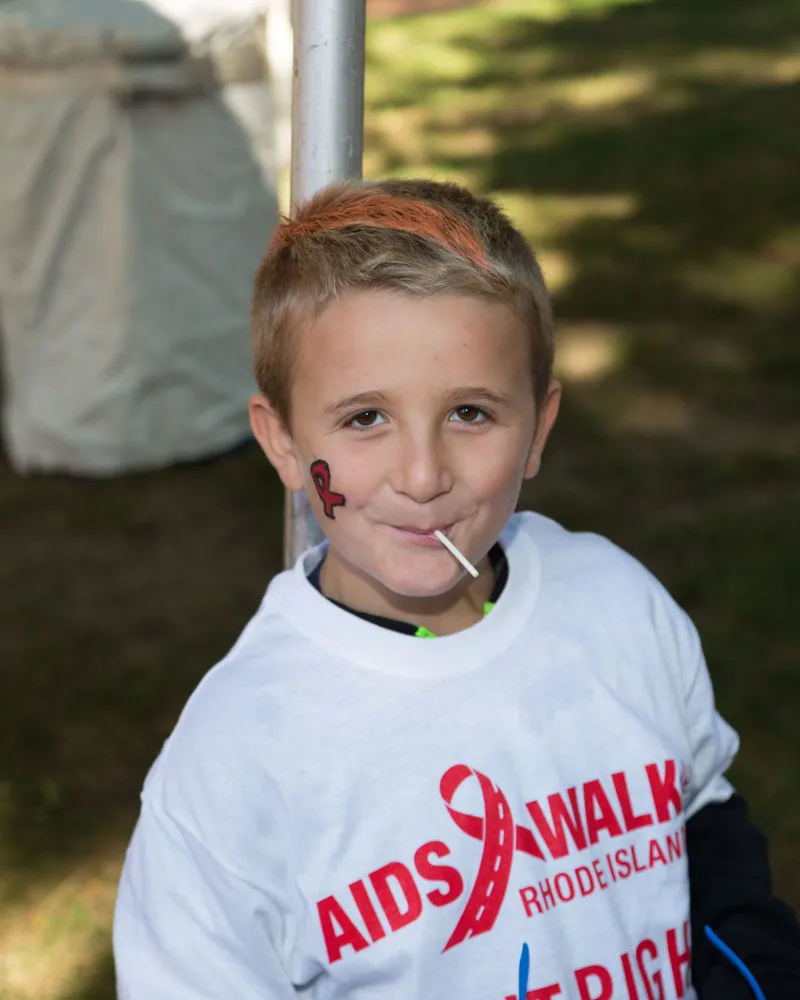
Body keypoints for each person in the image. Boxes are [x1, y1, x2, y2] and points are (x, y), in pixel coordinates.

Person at [113, 179, 800, 999]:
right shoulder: (234, 763)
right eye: (365, 418)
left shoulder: (618, 603)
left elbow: (704, 823)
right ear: (285, 443)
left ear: (538, 428)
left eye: (470, 413)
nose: (422, 475)